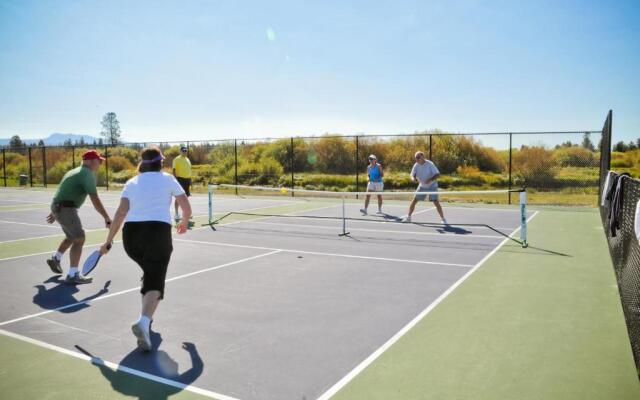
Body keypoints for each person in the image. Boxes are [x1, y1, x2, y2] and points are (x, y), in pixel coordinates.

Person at [99, 146, 192, 351]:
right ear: (161, 162)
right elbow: (186, 206)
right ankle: (143, 322)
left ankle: (146, 322)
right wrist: (184, 222)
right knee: (155, 282)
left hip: (131, 238)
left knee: (150, 275)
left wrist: (108, 241)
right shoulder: (168, 179)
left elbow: (121, 213)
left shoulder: (131, 182)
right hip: (157, 233)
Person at [46, 150, 111, 284]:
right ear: (91, 161)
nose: (99, 164)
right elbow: (94, 198)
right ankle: (73, 274)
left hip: (59, 206)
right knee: (79, 238)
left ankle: (56, 258)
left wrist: (54, 211)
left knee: (72, 236)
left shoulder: (74, 171)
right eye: (99, 161)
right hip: (66, 209)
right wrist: (106, 217)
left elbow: (63, 190)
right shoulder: (87, 174)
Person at [403, 151, 447, 224]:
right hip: (422, 186)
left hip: (432, 186)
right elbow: (412, 174)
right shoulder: (416, 165)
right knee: (414, 201)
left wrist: (430, 180)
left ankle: (443, 219)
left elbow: (437, 174)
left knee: (436, 202)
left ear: (422, 157)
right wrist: (413, 179)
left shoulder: (430, 164)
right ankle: (408, 217)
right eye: (415, 158)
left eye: (418, 157)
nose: (416, 159)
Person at [172, 146, 192, 224]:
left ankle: (186, 213)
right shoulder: (176, 159)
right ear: (180, 151)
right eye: (183, 151)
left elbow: (189, 170)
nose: (185, 152)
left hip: (187, 180)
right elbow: (174, 170)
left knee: (186, 197)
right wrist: (176, 181)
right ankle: (177, 214)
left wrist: (190, 180)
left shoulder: (187, 159)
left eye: (186, 151)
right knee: (178, 197)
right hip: (180, 179)